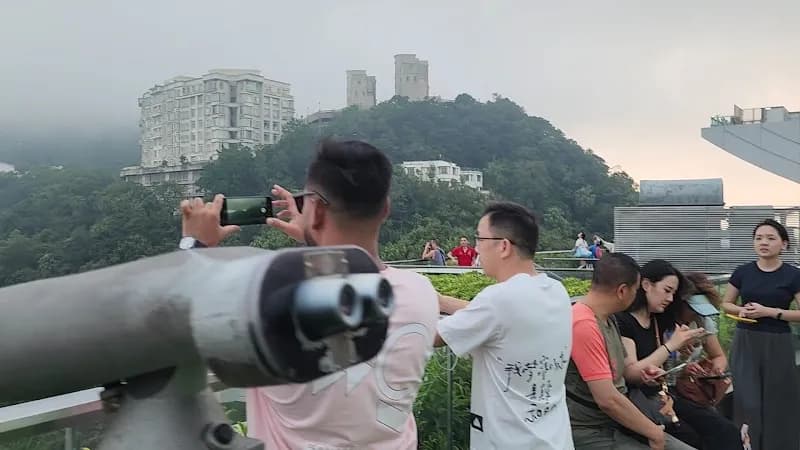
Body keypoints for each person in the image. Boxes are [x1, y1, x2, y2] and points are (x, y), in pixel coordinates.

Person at [179, 139, 440, 449]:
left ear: (314, 212)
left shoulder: (266, 302)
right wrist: (312, 231)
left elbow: (173, 327)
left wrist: (193, 248)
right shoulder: (421, 292)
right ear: (385, 209)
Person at [435, 202, 574, 449]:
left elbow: (430, 337)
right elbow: (491, 316)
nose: (476, 247)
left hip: (508, 442)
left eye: (479, 238)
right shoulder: (556, 290)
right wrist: (441, 301)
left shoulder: (498, 299)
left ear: (503, 246)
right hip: (554, 439)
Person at [567, 253, 695, 450]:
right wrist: (653, 432)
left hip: (614, 420)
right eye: (635, 290)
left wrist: (645, 374)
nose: (637, 295)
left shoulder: (606, 318)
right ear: (622, 291)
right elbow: (608, 399)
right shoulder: (584, 324)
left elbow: (620, 373)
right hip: (591, 428)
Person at [616, 260, 741, 450]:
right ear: (646, 285)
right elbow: (632, 374)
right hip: (643, 404)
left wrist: (682, 359)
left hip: (664, 397)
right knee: (700, 438)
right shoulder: (625, 321)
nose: (670, 298)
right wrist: (671, 346)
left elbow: (717, 355)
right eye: (667, 291)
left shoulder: (657, 318)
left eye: (673, 293)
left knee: (725, 431)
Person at [721, 218, 800, 450]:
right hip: (746, 340)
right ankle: (747, 445)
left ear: (784, 244)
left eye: (771, 238)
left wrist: (771, 312)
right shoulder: (743, 272)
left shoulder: (793, 275)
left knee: (778, 400)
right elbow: (726, 304)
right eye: (758, 238)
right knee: (748, 401)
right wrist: (741, 310)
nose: (763, 242)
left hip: (778, 341)